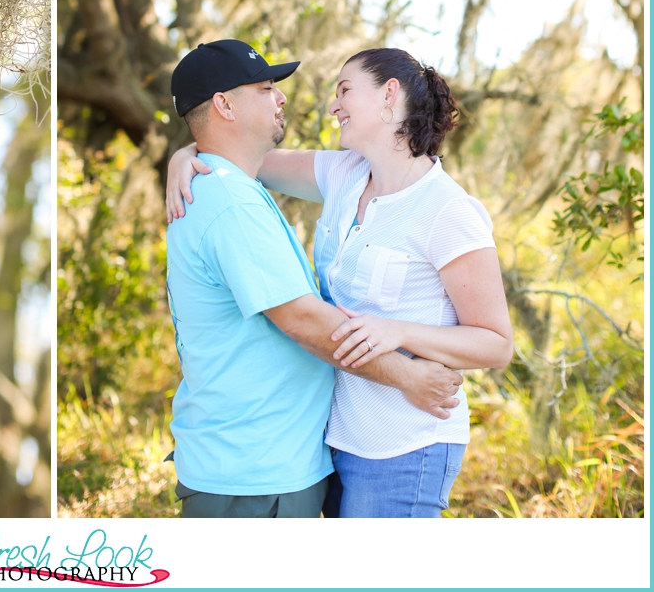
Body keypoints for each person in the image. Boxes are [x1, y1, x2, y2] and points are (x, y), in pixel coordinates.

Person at [166, 46, 513, 518]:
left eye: (345, 90)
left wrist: (403, 334)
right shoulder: (344, 175)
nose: (334, 105)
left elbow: (496, 344)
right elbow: (238, 154)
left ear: (390, 95)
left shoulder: (448, 212)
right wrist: (182, 156)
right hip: (334, 438)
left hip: (403, 440)